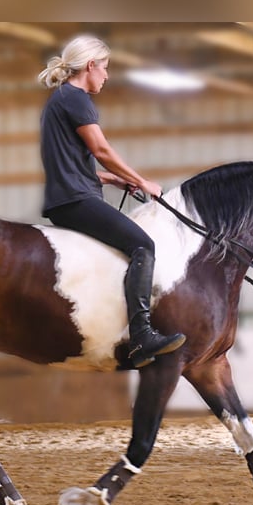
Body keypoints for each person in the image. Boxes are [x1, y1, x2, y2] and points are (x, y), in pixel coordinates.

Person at [38, 35, 186, 368]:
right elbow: (102, 151)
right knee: (142, 245)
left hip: (69, 195)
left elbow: (74, 166)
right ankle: (141, 336)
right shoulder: (77, 99)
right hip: (75, 200)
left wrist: (114, 180)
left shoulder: (59, 100)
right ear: (90, 66)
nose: (106, 76)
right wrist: (141, 181)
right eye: (104, 69)